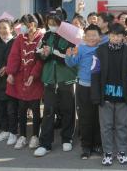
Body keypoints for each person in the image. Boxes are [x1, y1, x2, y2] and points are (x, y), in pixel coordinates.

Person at [91, 23, 127, 166]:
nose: (116, 38)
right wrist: (96, 95)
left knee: (122, 125)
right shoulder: (100, 51)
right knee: (106, 126)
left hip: (122, 96)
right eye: (113, 35)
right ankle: (108, 153)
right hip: (105, 97)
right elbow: (95, 73)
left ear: (123, 37)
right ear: (108, 35)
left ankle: (122, 152)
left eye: (119, 35)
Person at [34, 13, 77, 157]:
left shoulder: (70, 35)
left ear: (62, 23)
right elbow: (38, 52)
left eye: (55, 22)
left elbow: (70, 57)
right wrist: (44, 53)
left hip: (67, 77)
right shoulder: (46, 35)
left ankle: (67, 138)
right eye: (50, 22)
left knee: (68, 109)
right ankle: (45, 143)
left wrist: (53, 52)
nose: (52, 25)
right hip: (49, 78)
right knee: (48, 111)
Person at [6, 14, 44, 149]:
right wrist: (10, 72)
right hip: (21, 79)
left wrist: (34, 75)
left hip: (35, 79)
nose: (21, 27)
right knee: (21, 109)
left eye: (24, 24)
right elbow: (14, 55)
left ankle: (35, 136)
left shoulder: (42, 37)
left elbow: (40, 60)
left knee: (35, 108)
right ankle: (22, 136)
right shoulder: (19, 38)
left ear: (32, 24)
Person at [65, 24, 102, 159]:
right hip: (84, 87)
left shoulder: (103, 48)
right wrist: (69, 56)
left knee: (98, 117)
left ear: (100, 37)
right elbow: (71, 63)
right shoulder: (80, 48)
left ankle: (98, 144)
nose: (92, 38)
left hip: (99, 88)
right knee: (85, 117)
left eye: (95, 35)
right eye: (89, 35)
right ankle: (86, 146)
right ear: (84, 37)